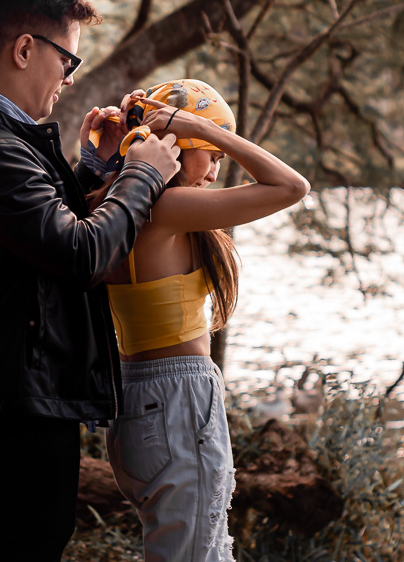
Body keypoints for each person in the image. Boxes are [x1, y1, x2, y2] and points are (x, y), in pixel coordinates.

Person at [0, 0, 181, 562]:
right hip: (9, 417)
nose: (67, 77)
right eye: (68, 60)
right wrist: (143, 175)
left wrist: (91, 171)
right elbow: (79, 253)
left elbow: (34, 238)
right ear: (26, 48)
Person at [88, 79, 310, 561]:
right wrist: (203, 127)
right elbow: (292, 186)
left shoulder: (112, 205)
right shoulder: (166, 208)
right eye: (209, 154)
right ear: (175, 144)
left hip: (133, 402)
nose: (214, 171)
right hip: (177, 402)